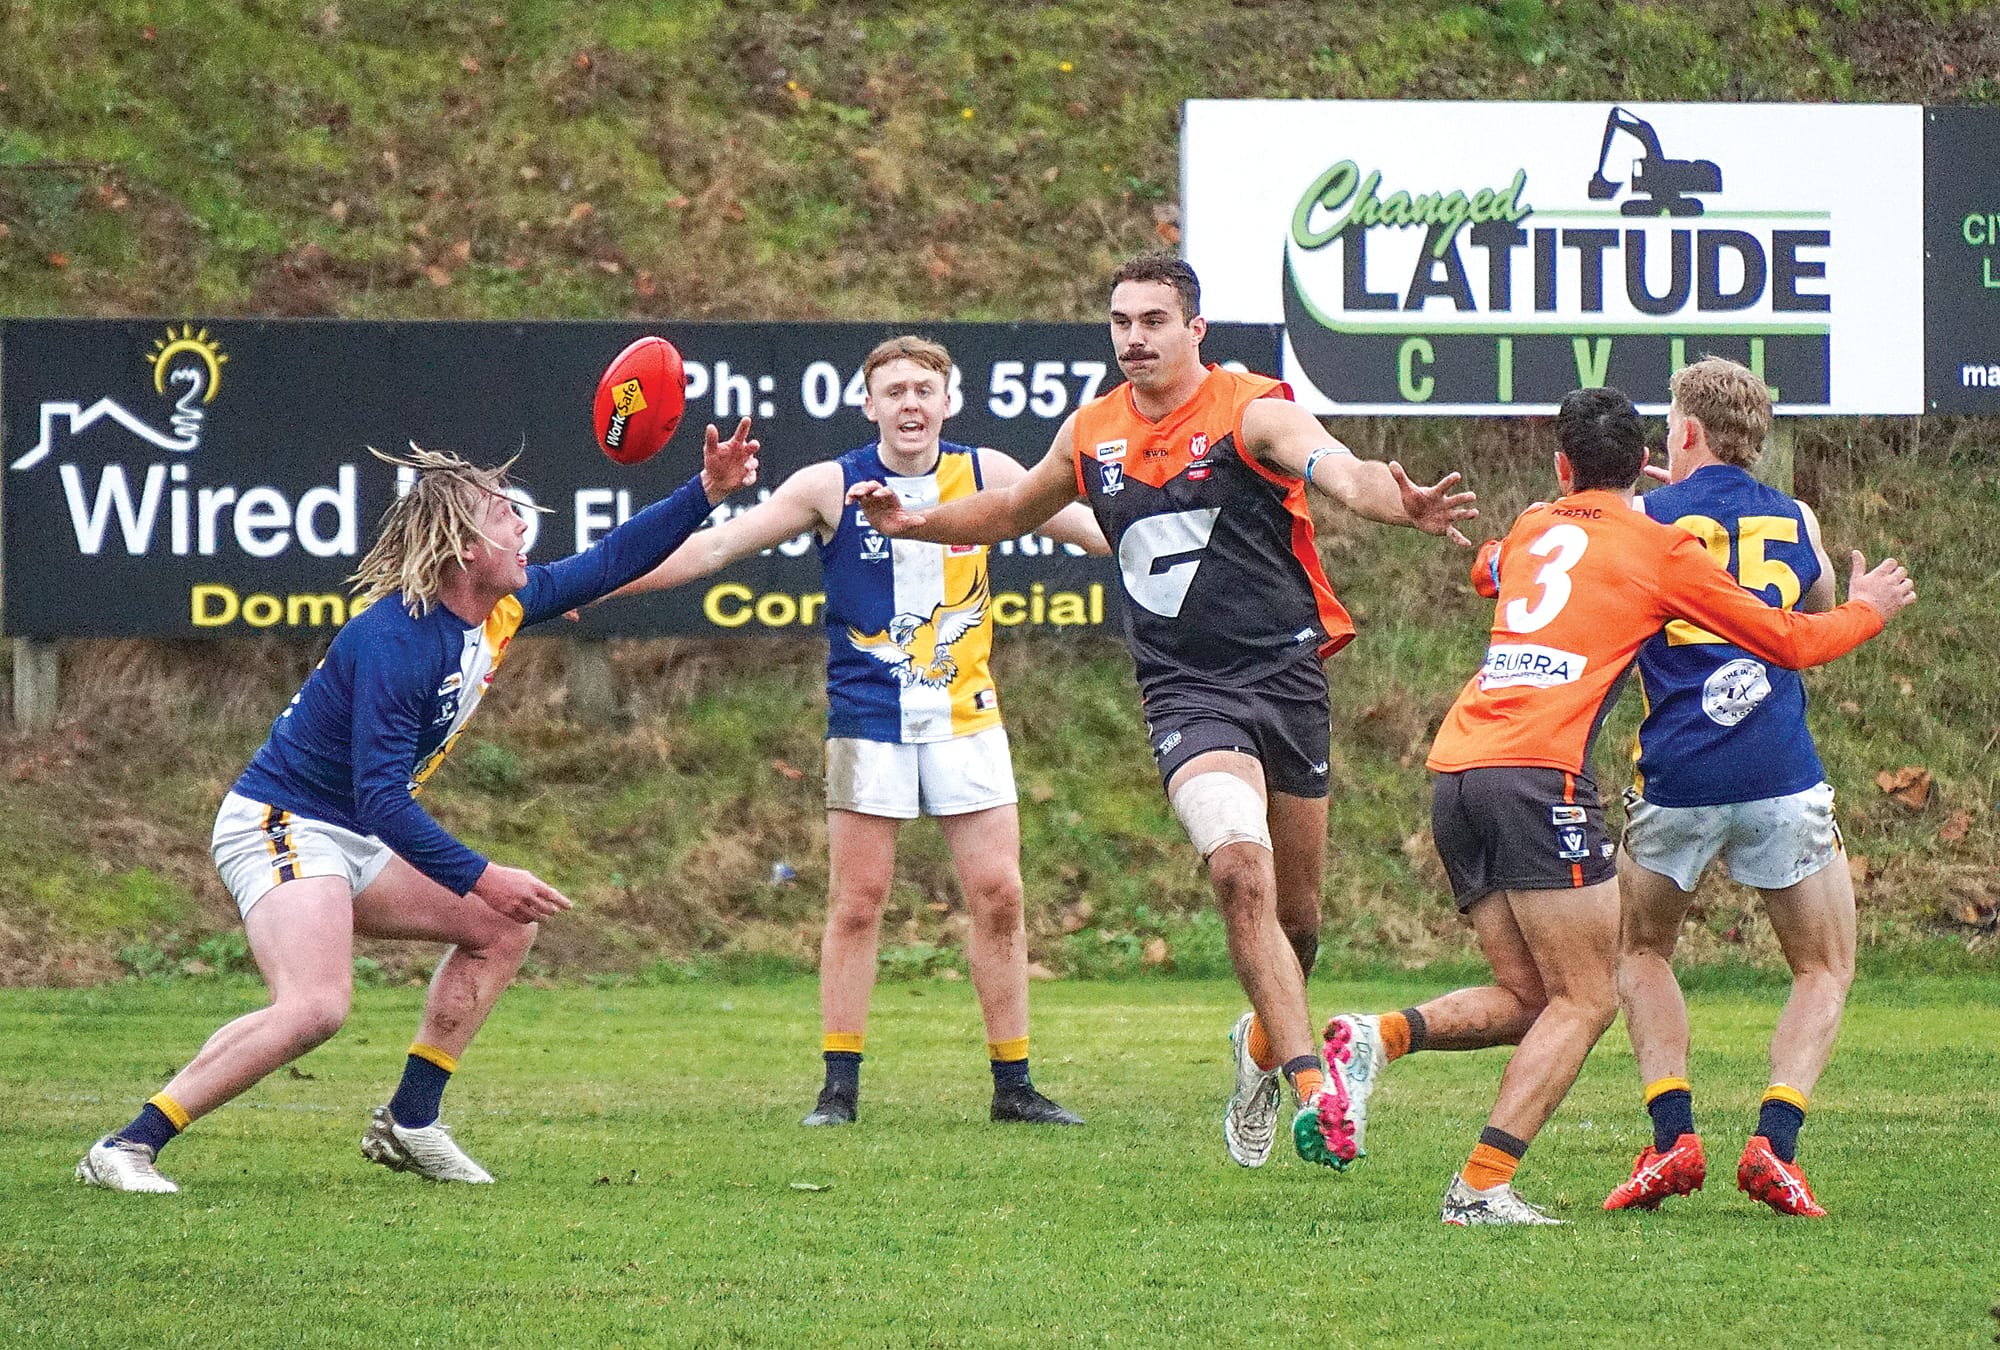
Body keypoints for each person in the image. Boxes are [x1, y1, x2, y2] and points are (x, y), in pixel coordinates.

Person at [849, 254, 1480, 1171]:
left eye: (1153, 320)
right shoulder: (1093, 432)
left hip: (1288, 681)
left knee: (1299, 926)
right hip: (1186, 692)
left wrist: (1399, 503)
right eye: (1120, 321)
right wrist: (914, 523)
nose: (1134, 337)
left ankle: (1259, 1053)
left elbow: (1339, 469)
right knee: (1235, 869)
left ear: (1195, 331)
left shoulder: (1248, 409)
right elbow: (1012, 509)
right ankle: (1313, 1088)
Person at [74, 424, 760, 1193]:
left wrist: (707, 491)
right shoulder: (397, 642)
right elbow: (379, 797)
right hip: (285, 824)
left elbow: (610, 561)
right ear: (465, 547)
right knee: (316, 1007)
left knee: (503, 927)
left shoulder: (500, 606)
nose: (524, 525)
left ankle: (411, 1119)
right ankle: (127, 1146)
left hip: (354, 831)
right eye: (506, 516)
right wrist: (481, 872)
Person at [1318, 386, 1913, 1225]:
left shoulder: (1530, 525)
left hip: (1457, 769)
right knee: (1589, 995)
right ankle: (1481, 1188)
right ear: (1643, 465)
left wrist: (1574, 512)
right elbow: (1789, 640)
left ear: (1562, 467)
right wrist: (1870, 610)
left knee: (1531, 994)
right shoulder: (1660, 545)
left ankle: (1375, 1039)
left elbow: (1483, 566)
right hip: (1537, 776)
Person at [607, 335, 1102, 1127]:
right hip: (868, 718)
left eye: (923, 389)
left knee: (1001, 896)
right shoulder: (828, 484)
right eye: (894, 390)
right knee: (858, 902)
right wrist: (594, 584)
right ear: (867, 404)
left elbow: (1090, 530)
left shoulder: (992, 475)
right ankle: (838, 1089)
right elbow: (716, 544)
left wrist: (1189, 552)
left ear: (950, 402)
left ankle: (1014, 1086)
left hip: (968, 716)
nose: (910, 403)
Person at [1601, 357, 1858, 1217]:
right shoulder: (1794, 516)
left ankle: (1673, 1136)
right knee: (1823, 966)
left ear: (1686, 432)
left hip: (1677, 771)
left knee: (1638, 953)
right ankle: (1774, 1146)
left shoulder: (1641, 516)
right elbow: (1815, 605)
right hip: (1778, 768)